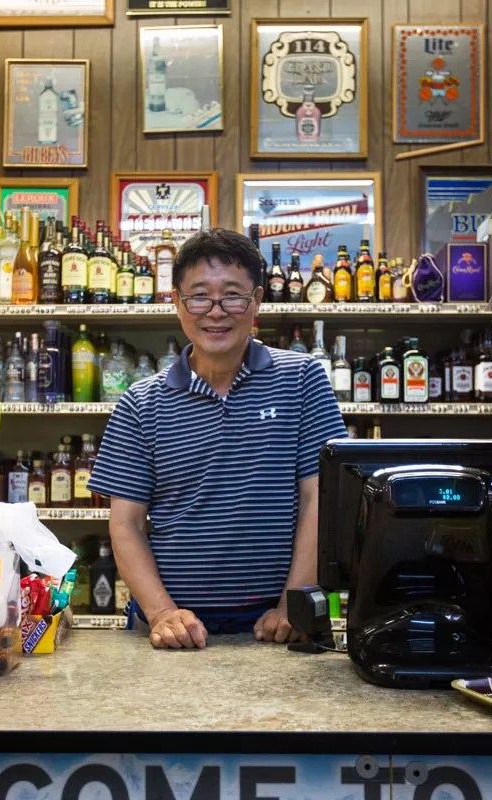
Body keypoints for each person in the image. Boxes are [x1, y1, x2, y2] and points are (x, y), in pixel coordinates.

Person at [87, 229, 347, 649]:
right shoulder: (140, 401)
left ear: (256, 301)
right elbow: (126, 523)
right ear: (176, 303)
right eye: (198, 297)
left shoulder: (302, 379)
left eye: (232, 295)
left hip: (278, 622)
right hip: (171, 625)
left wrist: (293, 603)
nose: (215, 311)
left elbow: (320, 497)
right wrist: (162, 612)